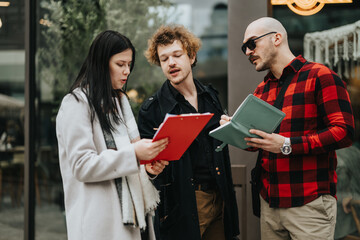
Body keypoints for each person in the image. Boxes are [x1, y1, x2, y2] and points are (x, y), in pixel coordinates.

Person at [220, 17, 355, 240]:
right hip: (269, 204)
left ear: (276, 38)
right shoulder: (262, 89)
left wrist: (286, 145)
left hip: (309, 203)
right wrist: (237, 129)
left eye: (251, 44)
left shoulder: (320, 76)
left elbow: (344, 132)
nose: (247, 52)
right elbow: (259, 145)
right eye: (244, 47)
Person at [56, 30, 169, 240]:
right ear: (101, 63)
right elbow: (82, 165)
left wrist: (148, 167)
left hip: (135, 224)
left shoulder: (119, 104)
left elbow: (128, 164)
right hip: (99, 226)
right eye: (120, 64)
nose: (127, 71)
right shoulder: (75, 103)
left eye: (129, 65)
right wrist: (134, 154)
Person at [138, 25, 239, 240]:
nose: (171, 63)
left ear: (191, 57)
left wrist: (230, 129)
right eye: (164, 59)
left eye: (177, 55)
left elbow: (219, 147)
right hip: (184, 204)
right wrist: (151, 168)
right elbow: (147, 172)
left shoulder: (210, 96)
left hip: (220, 197)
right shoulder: (152, 110)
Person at [334, 143, 360, 239]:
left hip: (345, 214)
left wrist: (348, 196)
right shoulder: (353, 150)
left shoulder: (334, 153)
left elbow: (341, 167)